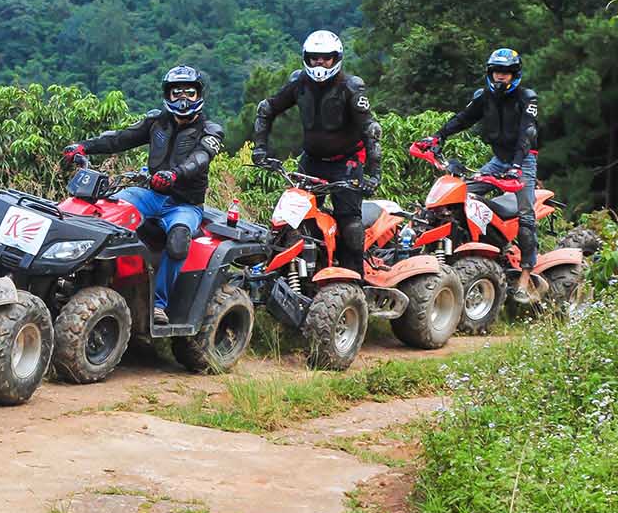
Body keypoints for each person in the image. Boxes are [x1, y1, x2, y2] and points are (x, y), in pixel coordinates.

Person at [62, 65, 224, 326]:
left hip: (185, 204)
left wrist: (175, 174)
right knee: (106, 213)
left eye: (189, 93)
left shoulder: (210, 130)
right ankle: (80, 276)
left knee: (178, 240)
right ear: (168, 95)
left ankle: (158, 304)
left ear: (199, 94)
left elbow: (200, 158)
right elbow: (119, 139)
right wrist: (84, 146)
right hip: (149, 195)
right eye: (177, 93)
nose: (183, 99)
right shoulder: (156, 122)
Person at [250, 30, 381, 275]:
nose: (320, 63)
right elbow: (266, 109)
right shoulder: (299, 83)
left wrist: (374, 174)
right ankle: (292, 277)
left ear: (336, 58)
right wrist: (259, 149)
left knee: (350, 223)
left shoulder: (350, 87)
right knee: (292, 219)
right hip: (311, 162)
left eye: (326, 58)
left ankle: (355, 279)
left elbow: (370, 130)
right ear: (306, 58)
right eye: (314, 58)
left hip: (346, 163)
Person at [416, 47, 542, 296]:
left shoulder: (527, 98)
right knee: (458, 196)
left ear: (515, 74)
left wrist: (516, 166)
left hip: (523, 160)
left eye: (506, 72)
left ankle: (525, 277)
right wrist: (437, 136)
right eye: (496, 71)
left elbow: (527, 133)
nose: (500, 76)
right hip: (498, 160)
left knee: (527, 216)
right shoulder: (484, 96)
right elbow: (462, 118)